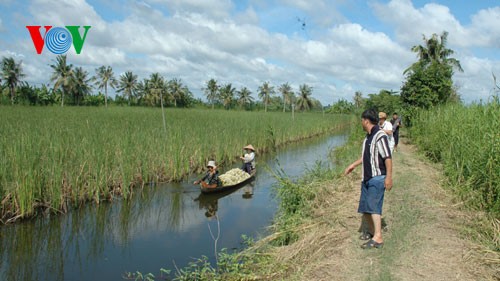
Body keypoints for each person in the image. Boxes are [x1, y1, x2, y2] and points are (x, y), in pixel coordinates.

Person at [344, 109, 393, 249]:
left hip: (377, 178)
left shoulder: (380, 136)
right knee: (365, 208)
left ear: (366, 120)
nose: (361, 122)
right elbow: (366, 157)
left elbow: (388, 158)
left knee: (373, 207)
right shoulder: (368, 138)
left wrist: (389, 177)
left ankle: (378, 237)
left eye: (361, 120)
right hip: (366, 178)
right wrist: (352, 165)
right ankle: (372, 232)